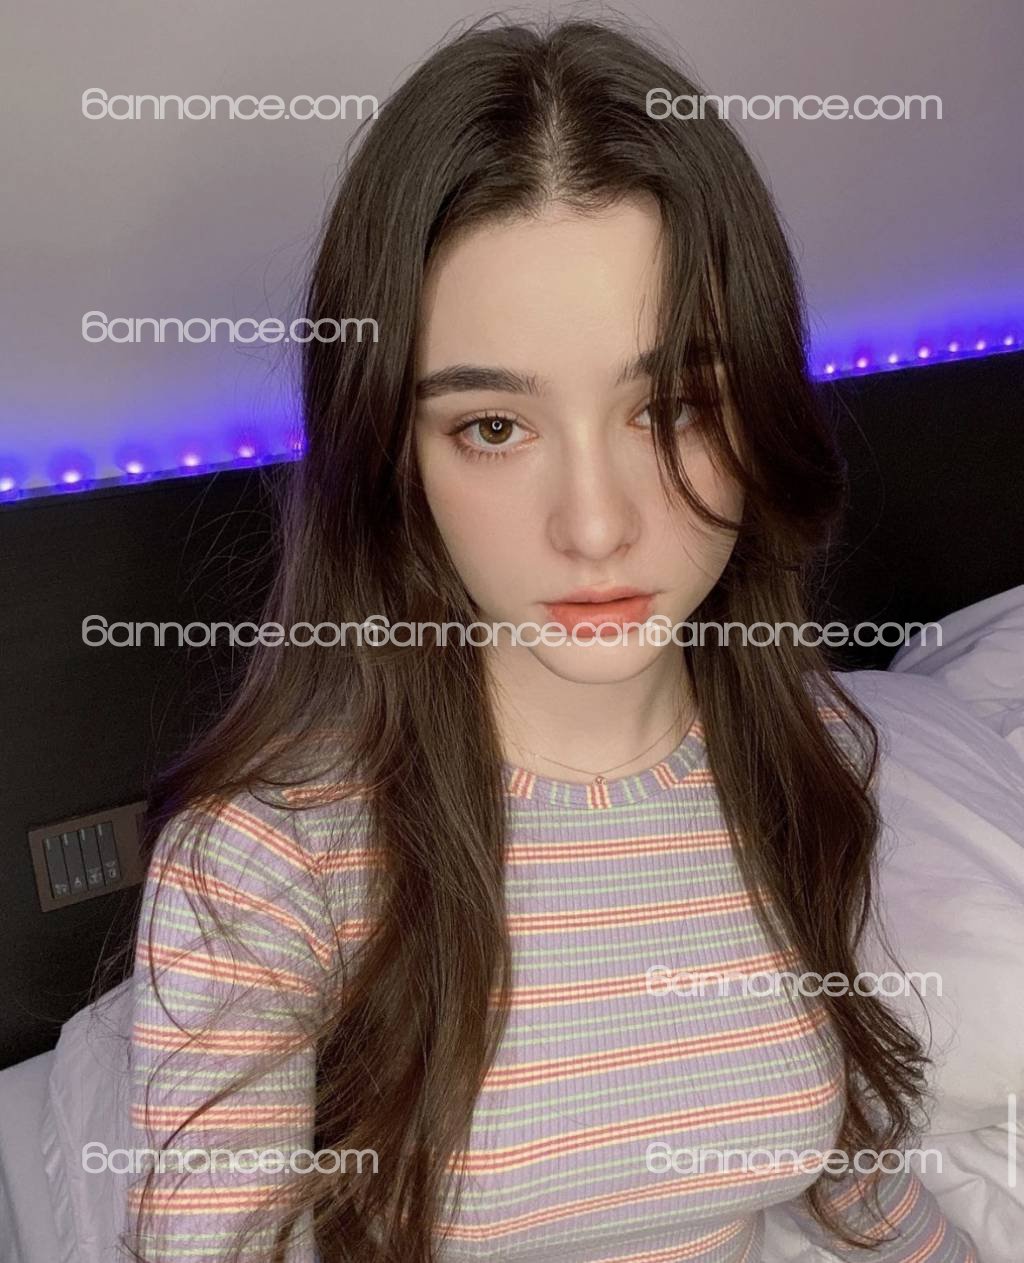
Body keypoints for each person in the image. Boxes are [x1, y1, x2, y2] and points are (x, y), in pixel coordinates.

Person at [121, 17, 977, 1262]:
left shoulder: (811, 752)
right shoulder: (264, 864)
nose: (595, 525)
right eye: (492, 427)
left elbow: (844, 1142)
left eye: (672, 407)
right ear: (394, 460)